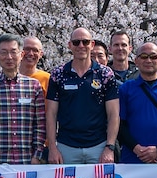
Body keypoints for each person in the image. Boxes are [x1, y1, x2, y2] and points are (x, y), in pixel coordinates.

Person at [44, 25, 120, 165]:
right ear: (69, 45)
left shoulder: (105, 74)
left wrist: (110, 147)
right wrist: (53, 148)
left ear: (92, 45)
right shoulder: (58, 74)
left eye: (85, 42)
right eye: (76, 42)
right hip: (66, 147)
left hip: (99, 146)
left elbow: (113, 114)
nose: (81, 46)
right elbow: (51, 114)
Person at [0, 36, 47, 166]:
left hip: (26, 160)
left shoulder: (34, 86)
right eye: (3, 52)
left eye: (13, 52)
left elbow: (40, 125)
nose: (9, 57)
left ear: (21, 54)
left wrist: (37, 156)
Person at [115, 42, 157, 163]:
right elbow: (120, 124)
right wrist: (137, 149)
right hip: (133, 157)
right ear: (136, 61)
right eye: (143, 56)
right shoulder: (126, 89)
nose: (148, 60)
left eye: (153, 57)